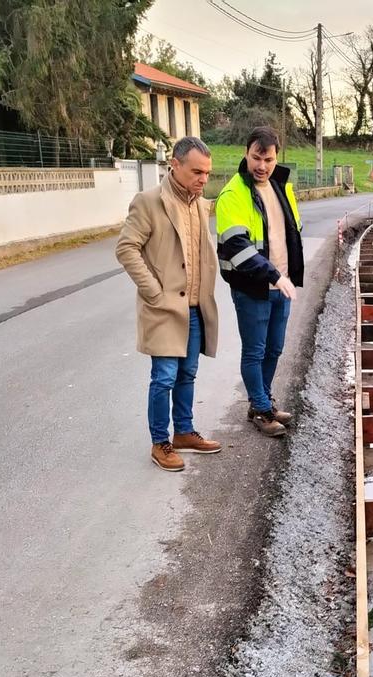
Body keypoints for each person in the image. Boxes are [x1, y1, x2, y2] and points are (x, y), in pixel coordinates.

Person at [116, 136, 222, 472]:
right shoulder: (148, 202)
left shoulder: (199, 204)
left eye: (206, 172)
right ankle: (160, 442)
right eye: (196, 171)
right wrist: (153, 292)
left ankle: (184, 432)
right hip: (164, 308)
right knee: (164, 377)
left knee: (188, 374)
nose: (203, 179)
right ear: (173, 165)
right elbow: (126, 248)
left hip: (194, 308)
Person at [215, 126, 304, 438]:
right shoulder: (233, 194)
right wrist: (275, 276)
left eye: (268, 159)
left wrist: (287, 274)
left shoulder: (281, 186)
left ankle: (262, 402)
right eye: (256, 158)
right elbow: (236, 246)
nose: (262, 166)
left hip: (281, 284)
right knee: (255, 350)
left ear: (276, 156)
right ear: (246, 153)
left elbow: (292, 230)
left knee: (275, 348)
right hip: (252, 287)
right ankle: (260, 407)